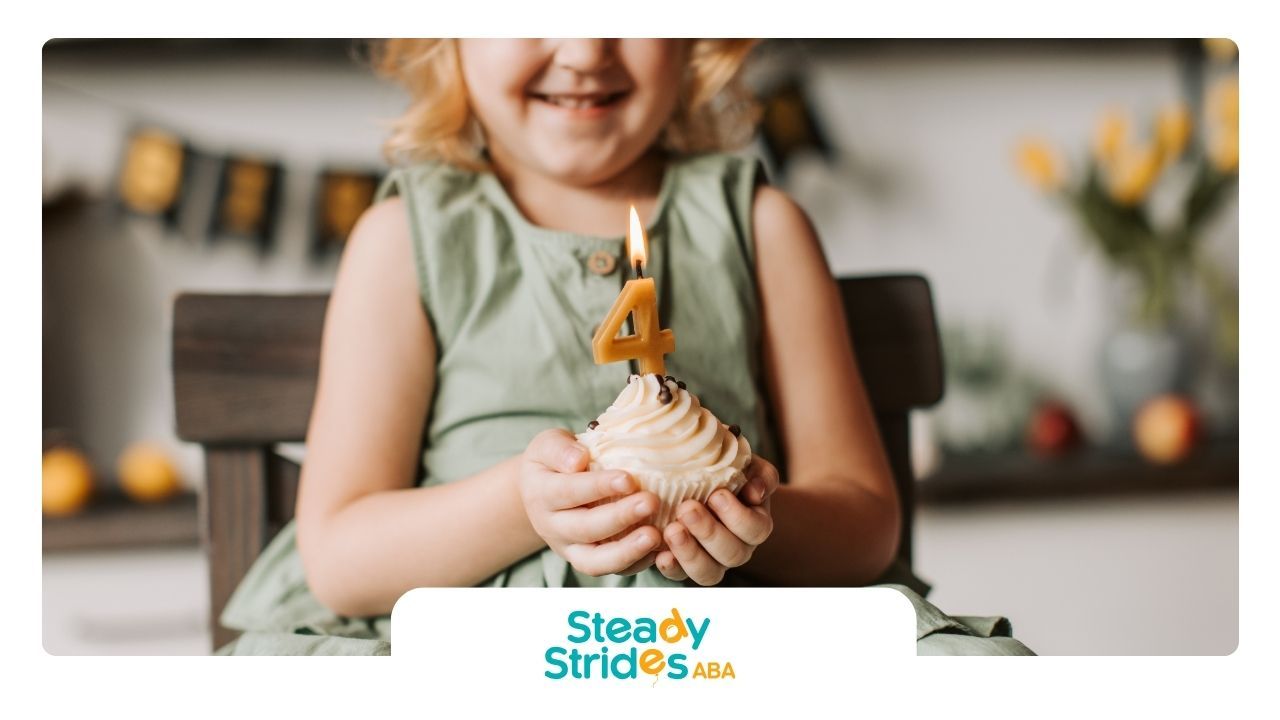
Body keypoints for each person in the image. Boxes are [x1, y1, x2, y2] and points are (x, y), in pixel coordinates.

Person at [217, 38, 1034, 656]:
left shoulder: (762, 227)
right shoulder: (403, 242)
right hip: (478, 652)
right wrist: (522, 504)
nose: (584, 51)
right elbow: (339, 558)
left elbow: (864, 523)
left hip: (727, 649)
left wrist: (754, 518)